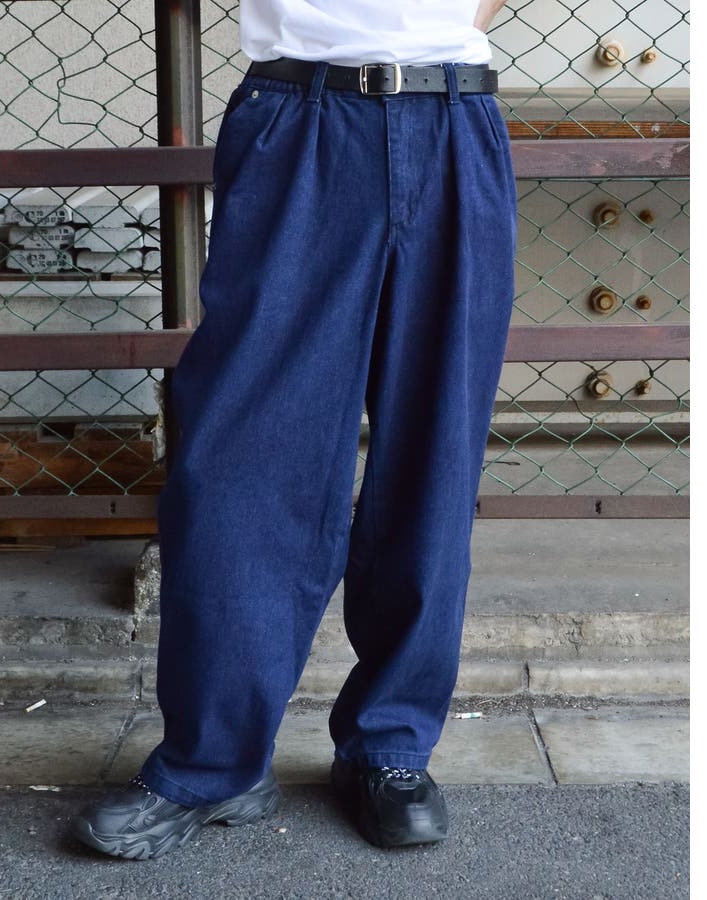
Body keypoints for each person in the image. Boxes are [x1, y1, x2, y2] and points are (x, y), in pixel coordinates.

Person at [73, 0, 514, 859]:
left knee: (434, 451)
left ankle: (390, 746)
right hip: (301, 118)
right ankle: (213, 762)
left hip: (457, 117)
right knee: (245, 457)